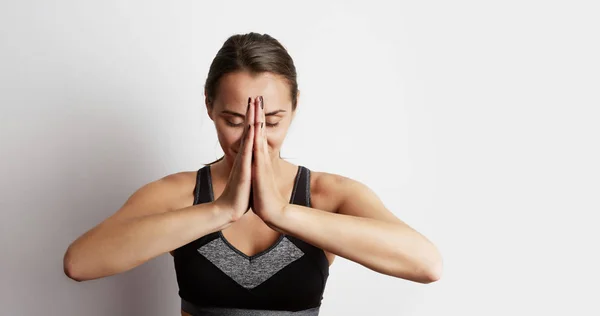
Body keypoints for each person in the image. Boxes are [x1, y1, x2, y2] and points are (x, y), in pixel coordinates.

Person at [63, 32, 443, 315]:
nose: (253, 137)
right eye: (234, 121)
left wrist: (281, 213)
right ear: (210, 107)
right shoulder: (178, 195)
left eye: (272, 121)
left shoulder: (330, 195)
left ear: (295, 108)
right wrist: (221, 210)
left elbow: (426, 264)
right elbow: (80, 263)